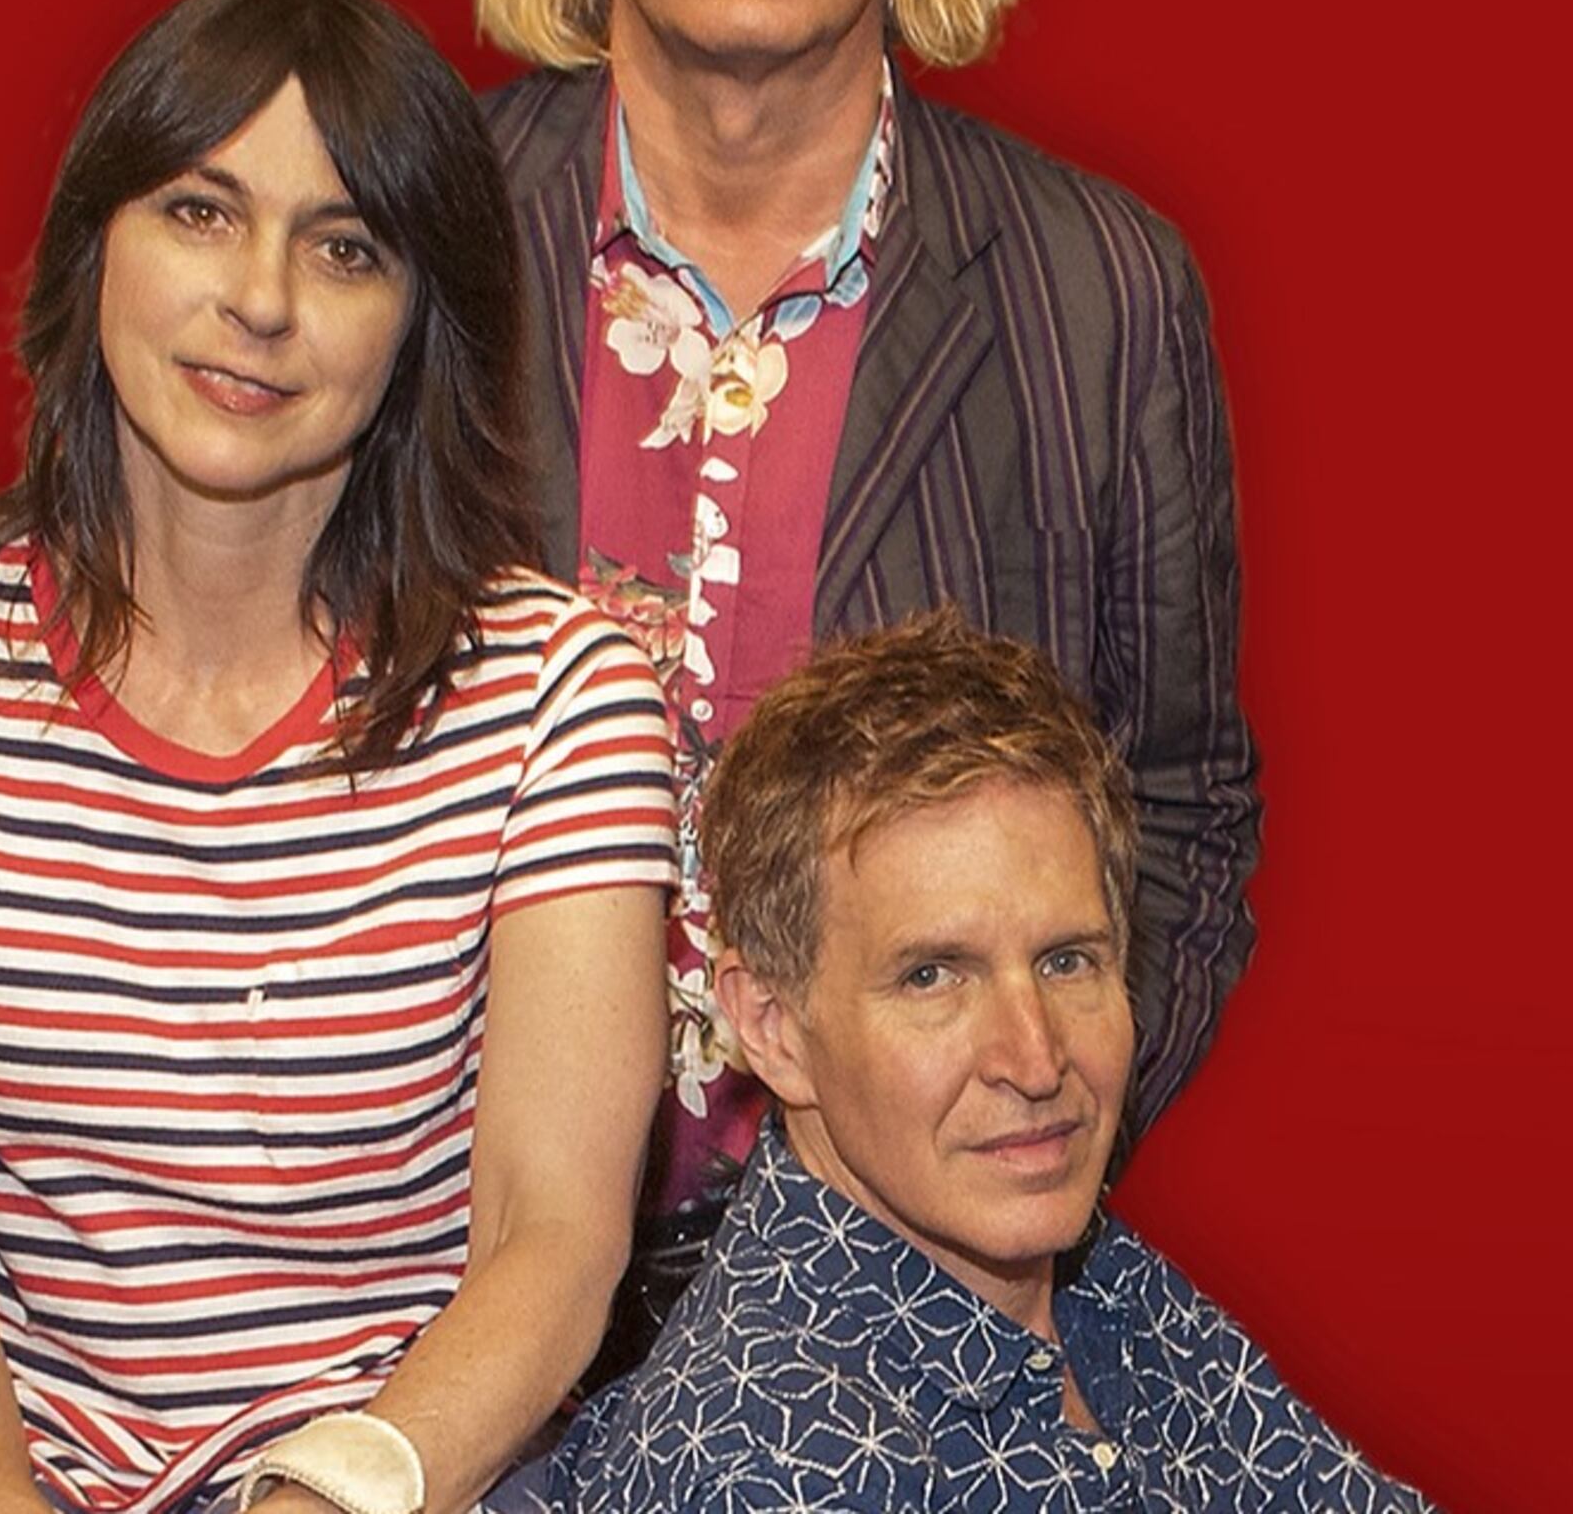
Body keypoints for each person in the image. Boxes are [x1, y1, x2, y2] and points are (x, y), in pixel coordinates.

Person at [0, 0, 679, 1514]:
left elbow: (550, 1238)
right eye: (200, 213)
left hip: (407, 1475)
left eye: (347, 248)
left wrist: (319, 1499)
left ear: (421, 320)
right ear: (94, 243)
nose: (262, 300)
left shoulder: (559, 696)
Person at [470, 0, 1260, 1309]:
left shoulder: (1098, 293)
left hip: (904, 1302)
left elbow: (1183, 812)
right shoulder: (418, 236)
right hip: (439, 1282)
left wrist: (991, 1176)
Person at [565, 614, 1426, 1513]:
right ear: (773, 1028)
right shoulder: (771, 1471)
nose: (1036, 1059)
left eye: (1067, 961)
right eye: (933, 977)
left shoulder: (1092, 1277)